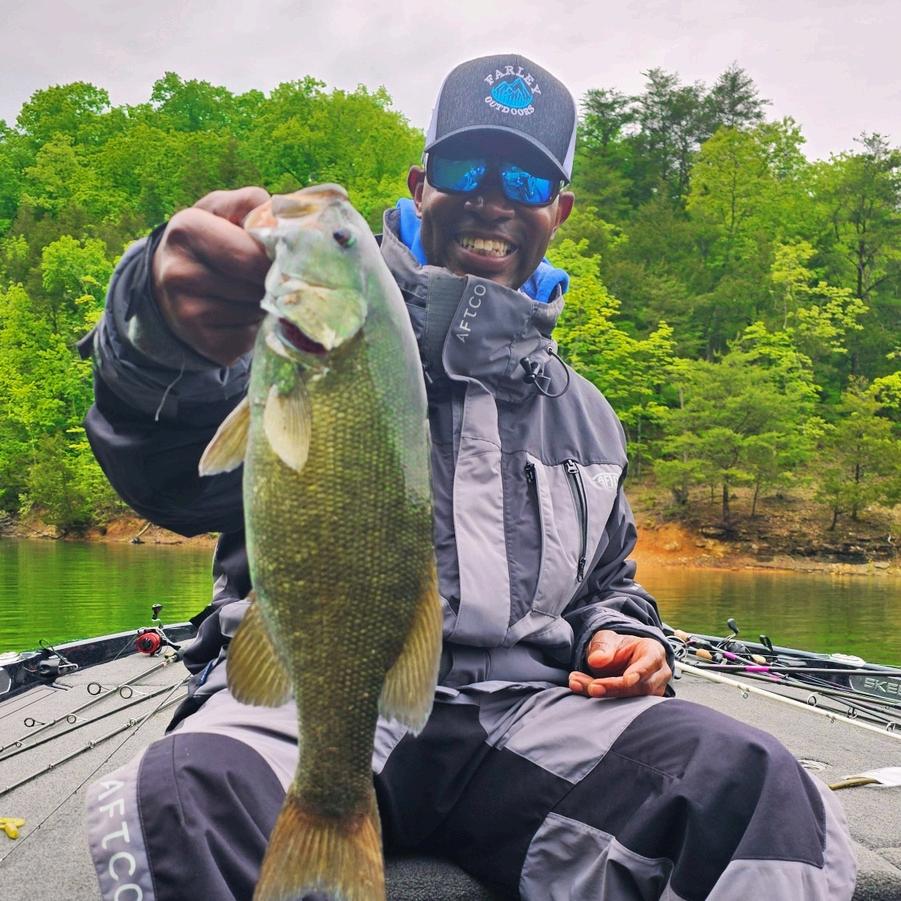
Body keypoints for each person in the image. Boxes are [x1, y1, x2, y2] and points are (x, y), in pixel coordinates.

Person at [81, 53, 856, 900]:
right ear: (421, 186)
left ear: (557, 211)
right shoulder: (288, 343)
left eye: (524, 179)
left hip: (526, 714)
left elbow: (607, 583)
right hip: (309, 689)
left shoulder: (588, 415)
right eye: (464, 168)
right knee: (178, 800)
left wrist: (620, 635)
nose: (491, 199)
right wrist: (153, 324)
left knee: (756, 788)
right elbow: (162, 466)